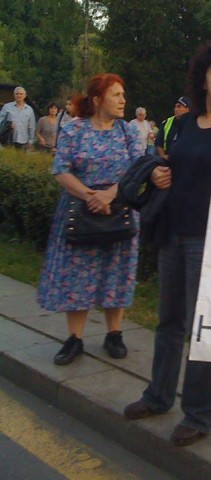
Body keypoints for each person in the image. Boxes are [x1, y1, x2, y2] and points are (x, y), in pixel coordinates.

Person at [123, 39, 211, 447]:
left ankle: (198, 416)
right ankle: (158, 396)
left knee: (204, 331)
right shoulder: (183, 124)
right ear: (203, 79)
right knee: (169, 322)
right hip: (173, 232)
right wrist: (158, 173)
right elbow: (169, 165)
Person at [37, 73, 143, 366]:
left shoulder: (128, 132)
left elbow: (138, 170)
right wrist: (90, 196)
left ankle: (114, 334)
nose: (123, 100)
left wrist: (110, 195)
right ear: (98, 100)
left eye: (123, 95)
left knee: (116, 271)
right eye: (116, 95)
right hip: (80, 210)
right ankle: (75, 339)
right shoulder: (75, 129)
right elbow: (61, 169)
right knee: (77, 273)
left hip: (118, 209)